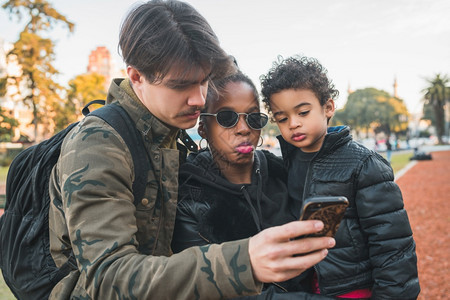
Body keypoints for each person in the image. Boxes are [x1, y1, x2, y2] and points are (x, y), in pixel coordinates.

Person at [47, 2, 334, 299]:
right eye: (182, 85)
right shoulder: (98, 143)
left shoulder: (165, 132)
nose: (199, 99)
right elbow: (108, 279)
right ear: (136, 77)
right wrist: (245, 262)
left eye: (204, 81)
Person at [260, 55, 420, 299]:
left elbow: (393, 248)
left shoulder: (364, 165)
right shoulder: (288, 163)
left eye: (303, 112)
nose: (293, 123)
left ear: (328, 108)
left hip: (354, 288)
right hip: (305, 285)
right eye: (282, 118)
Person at [172, 71, 333, 299]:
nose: (244, 129)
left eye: (253, 117)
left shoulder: (286, 174)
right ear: (203, 128)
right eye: (226, 118)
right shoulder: (188, 199)